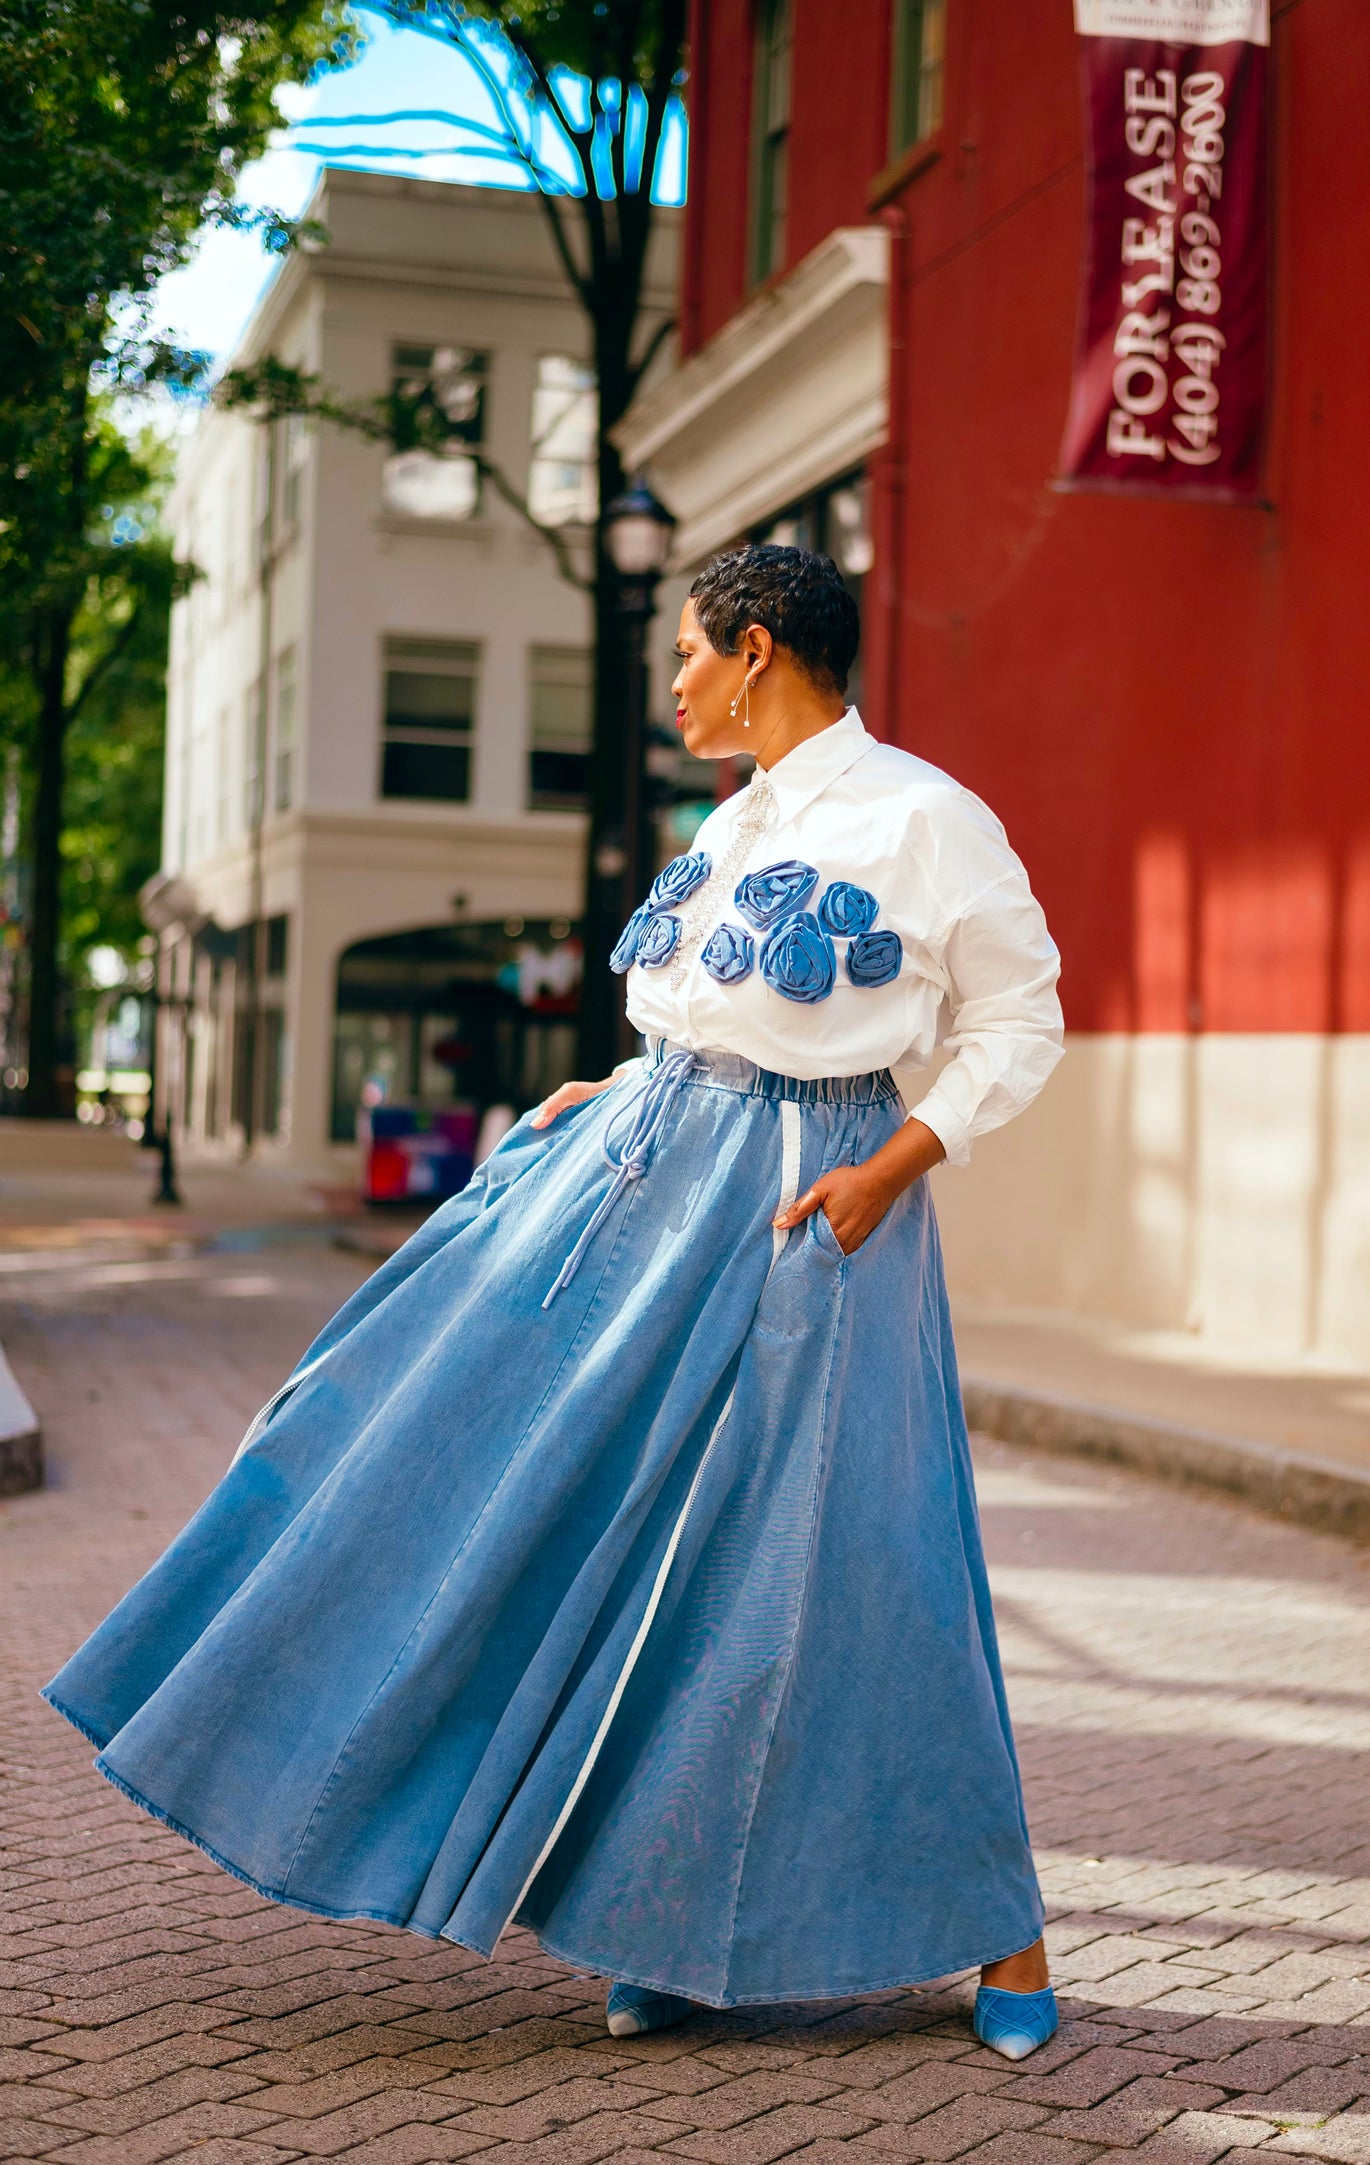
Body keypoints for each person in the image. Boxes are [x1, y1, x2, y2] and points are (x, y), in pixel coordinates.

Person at [44, 543, 1064, 2063]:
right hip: (640, 1174)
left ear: (759, 648)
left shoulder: (925, 817)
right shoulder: (734, 819)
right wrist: (614, 1085)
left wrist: (900, 1161)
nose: (672, 681)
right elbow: (706, 1020)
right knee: (450, 1448)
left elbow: (1018, 1013)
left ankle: (1004, 1934)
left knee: (839, 1559)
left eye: (686, 653)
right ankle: (663, 1922)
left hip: (806, 1205)